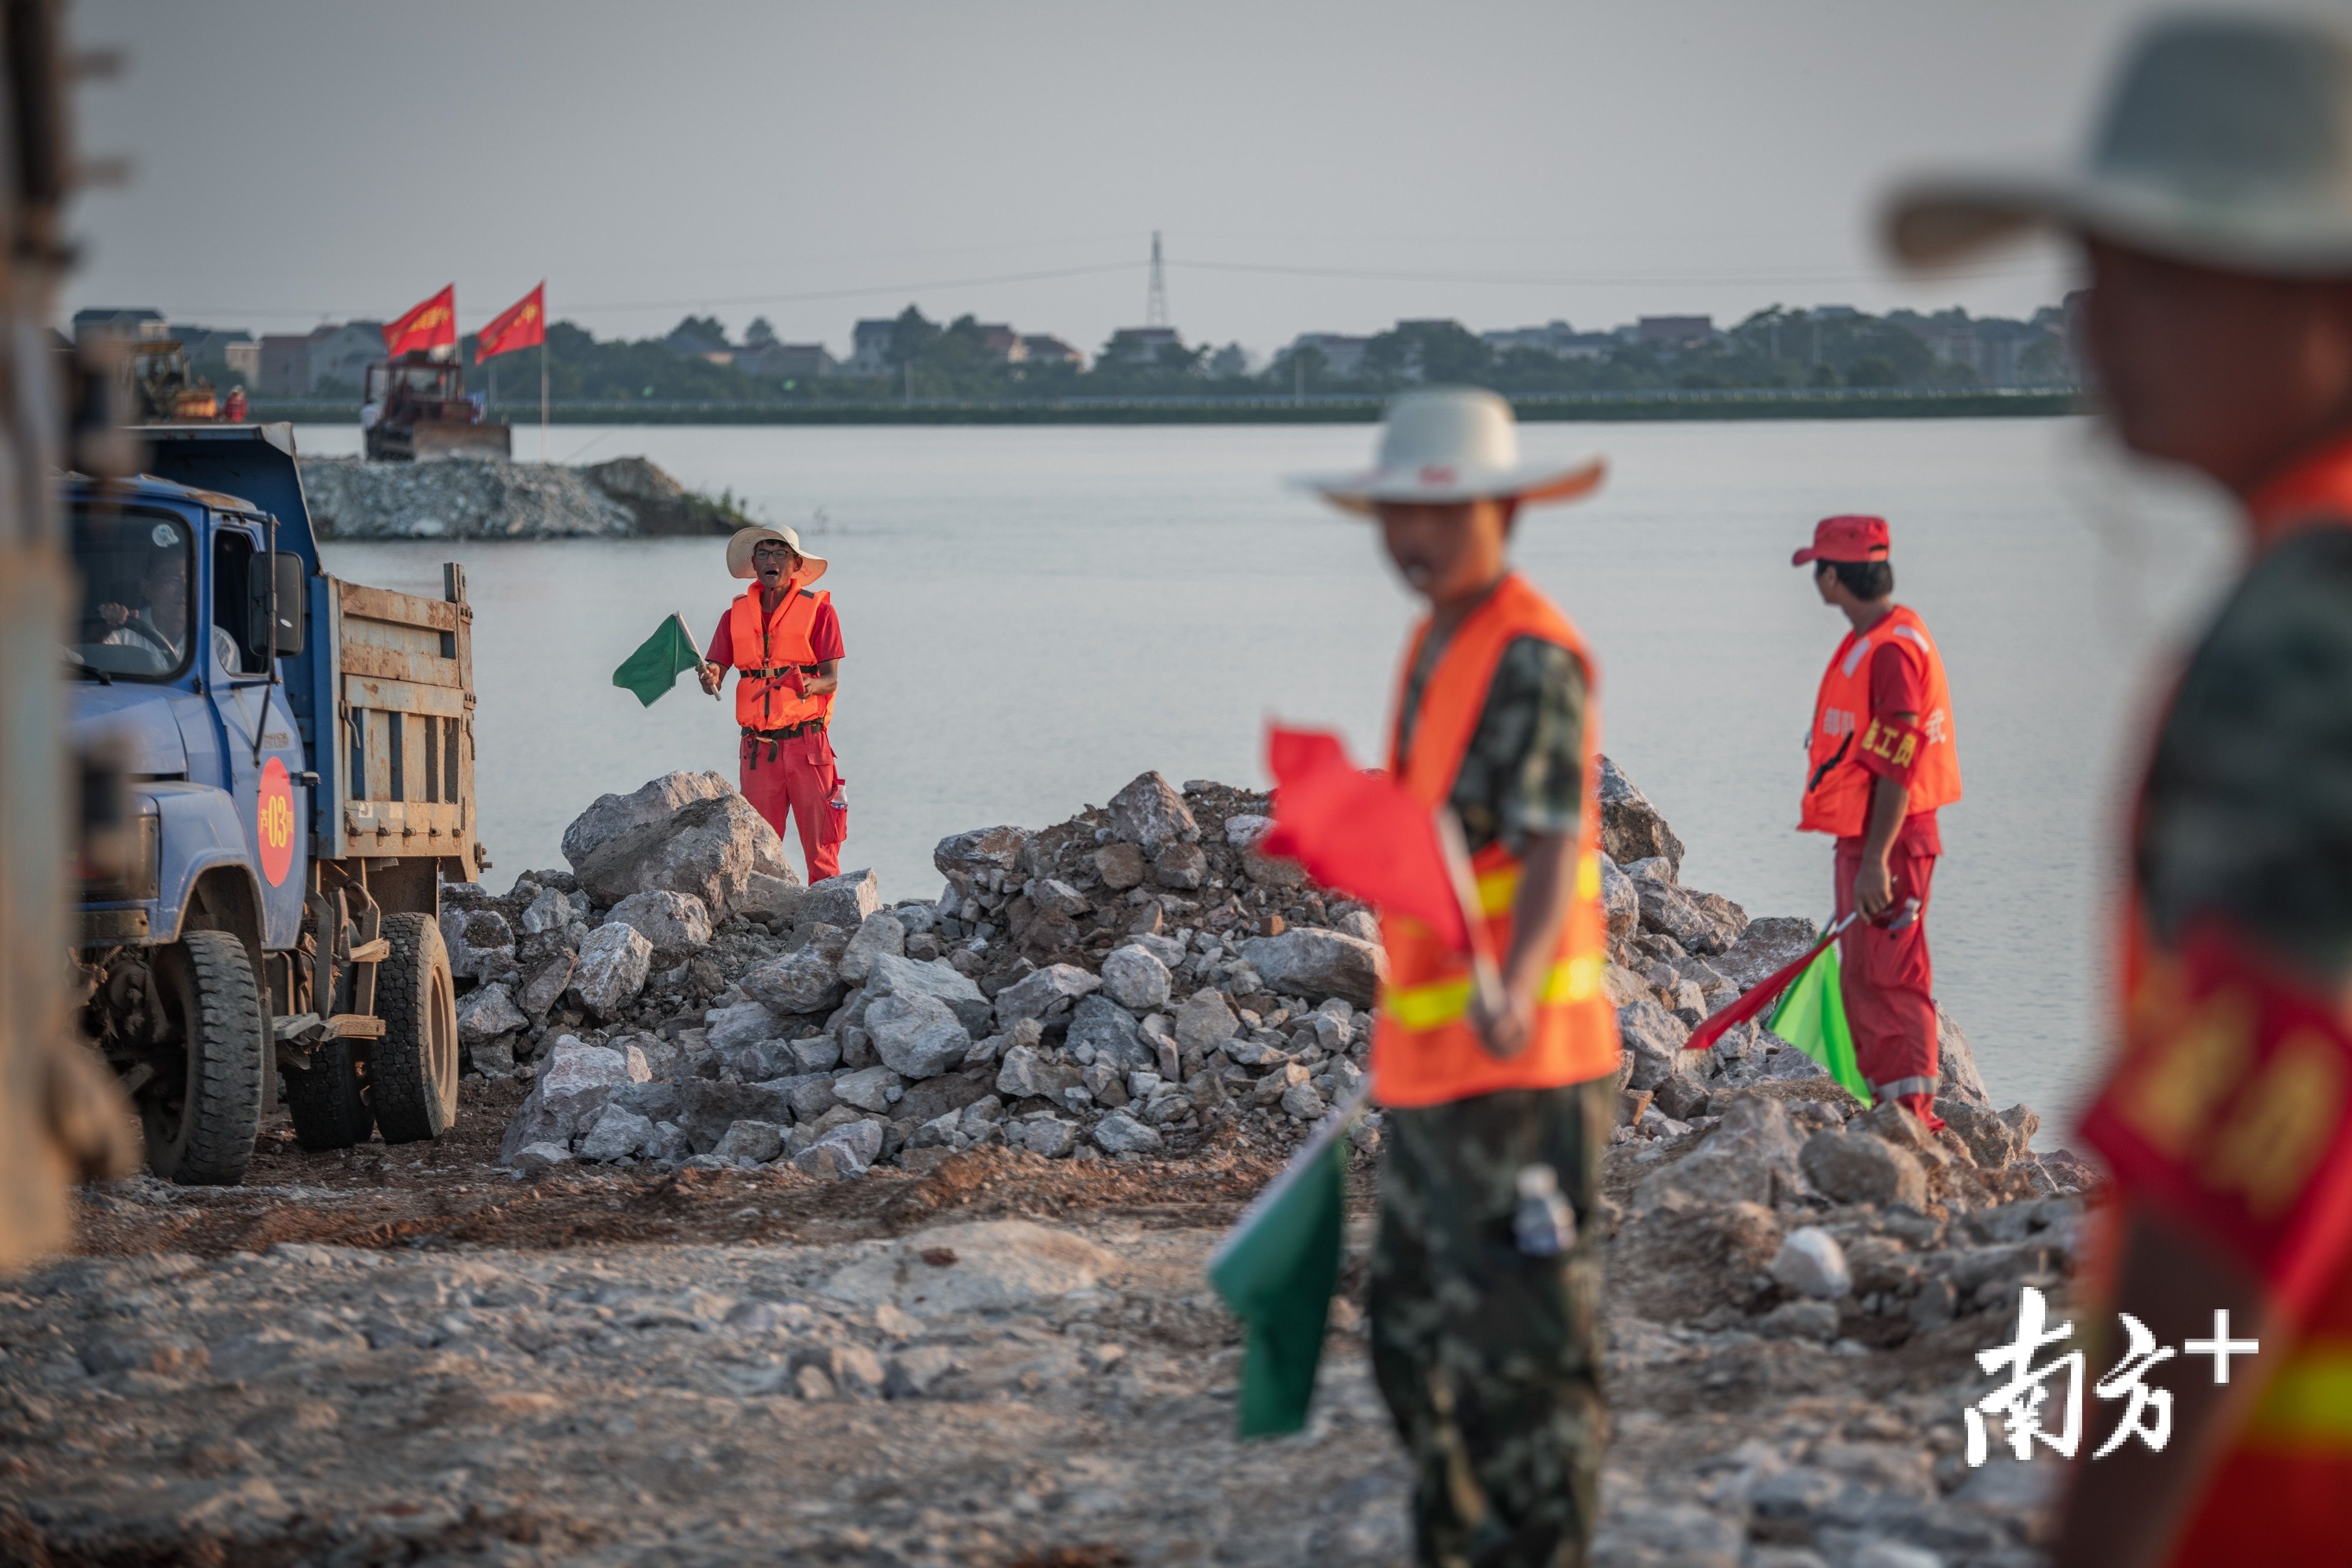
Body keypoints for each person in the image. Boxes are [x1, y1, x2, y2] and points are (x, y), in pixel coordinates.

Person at [1886, 14, 2352, 1564]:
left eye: (2161, 273)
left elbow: (2242, 1150)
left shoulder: (2314, 619)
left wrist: (2104, 1537)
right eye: (2094, 269)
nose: (2097, 324)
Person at [1299, 387, 1619, 1567]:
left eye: (1430, 514)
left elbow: (1548, 846)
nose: (1405, 539)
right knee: (1407, 1339)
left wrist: (1514, 982)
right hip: (1432, 1062)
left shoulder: (1530, 654)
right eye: (1391, 514)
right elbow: (1446, 829)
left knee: (1523, 1365)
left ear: (1497, 512)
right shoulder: (1437, 639)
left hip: (1521, 1064)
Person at [1791, 514, 1960, 1128]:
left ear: (1834, 576)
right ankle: (1889, 1107)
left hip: (1888, 840)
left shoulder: (1891, 649)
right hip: (1868, 836)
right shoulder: (1878, 637)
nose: (1816, 579)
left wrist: (1872, 863)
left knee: (1892, 976)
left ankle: (1915, 1115)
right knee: (1864, 972)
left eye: (1819, 568)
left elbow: (1898, 762)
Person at [699, 524, 846, 881]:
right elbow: (715, 670)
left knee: (822, 850)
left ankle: (831, 923)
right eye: (763, 553)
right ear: (754, 562)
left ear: (796, 564)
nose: (771, 560)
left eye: (780, 553)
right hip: (757, 751)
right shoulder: (733, 615)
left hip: (809, 746)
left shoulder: (820, 612)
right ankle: (767, 926)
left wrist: (808, 686)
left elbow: (831, 679)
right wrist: (709, 678)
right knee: (759, 851)